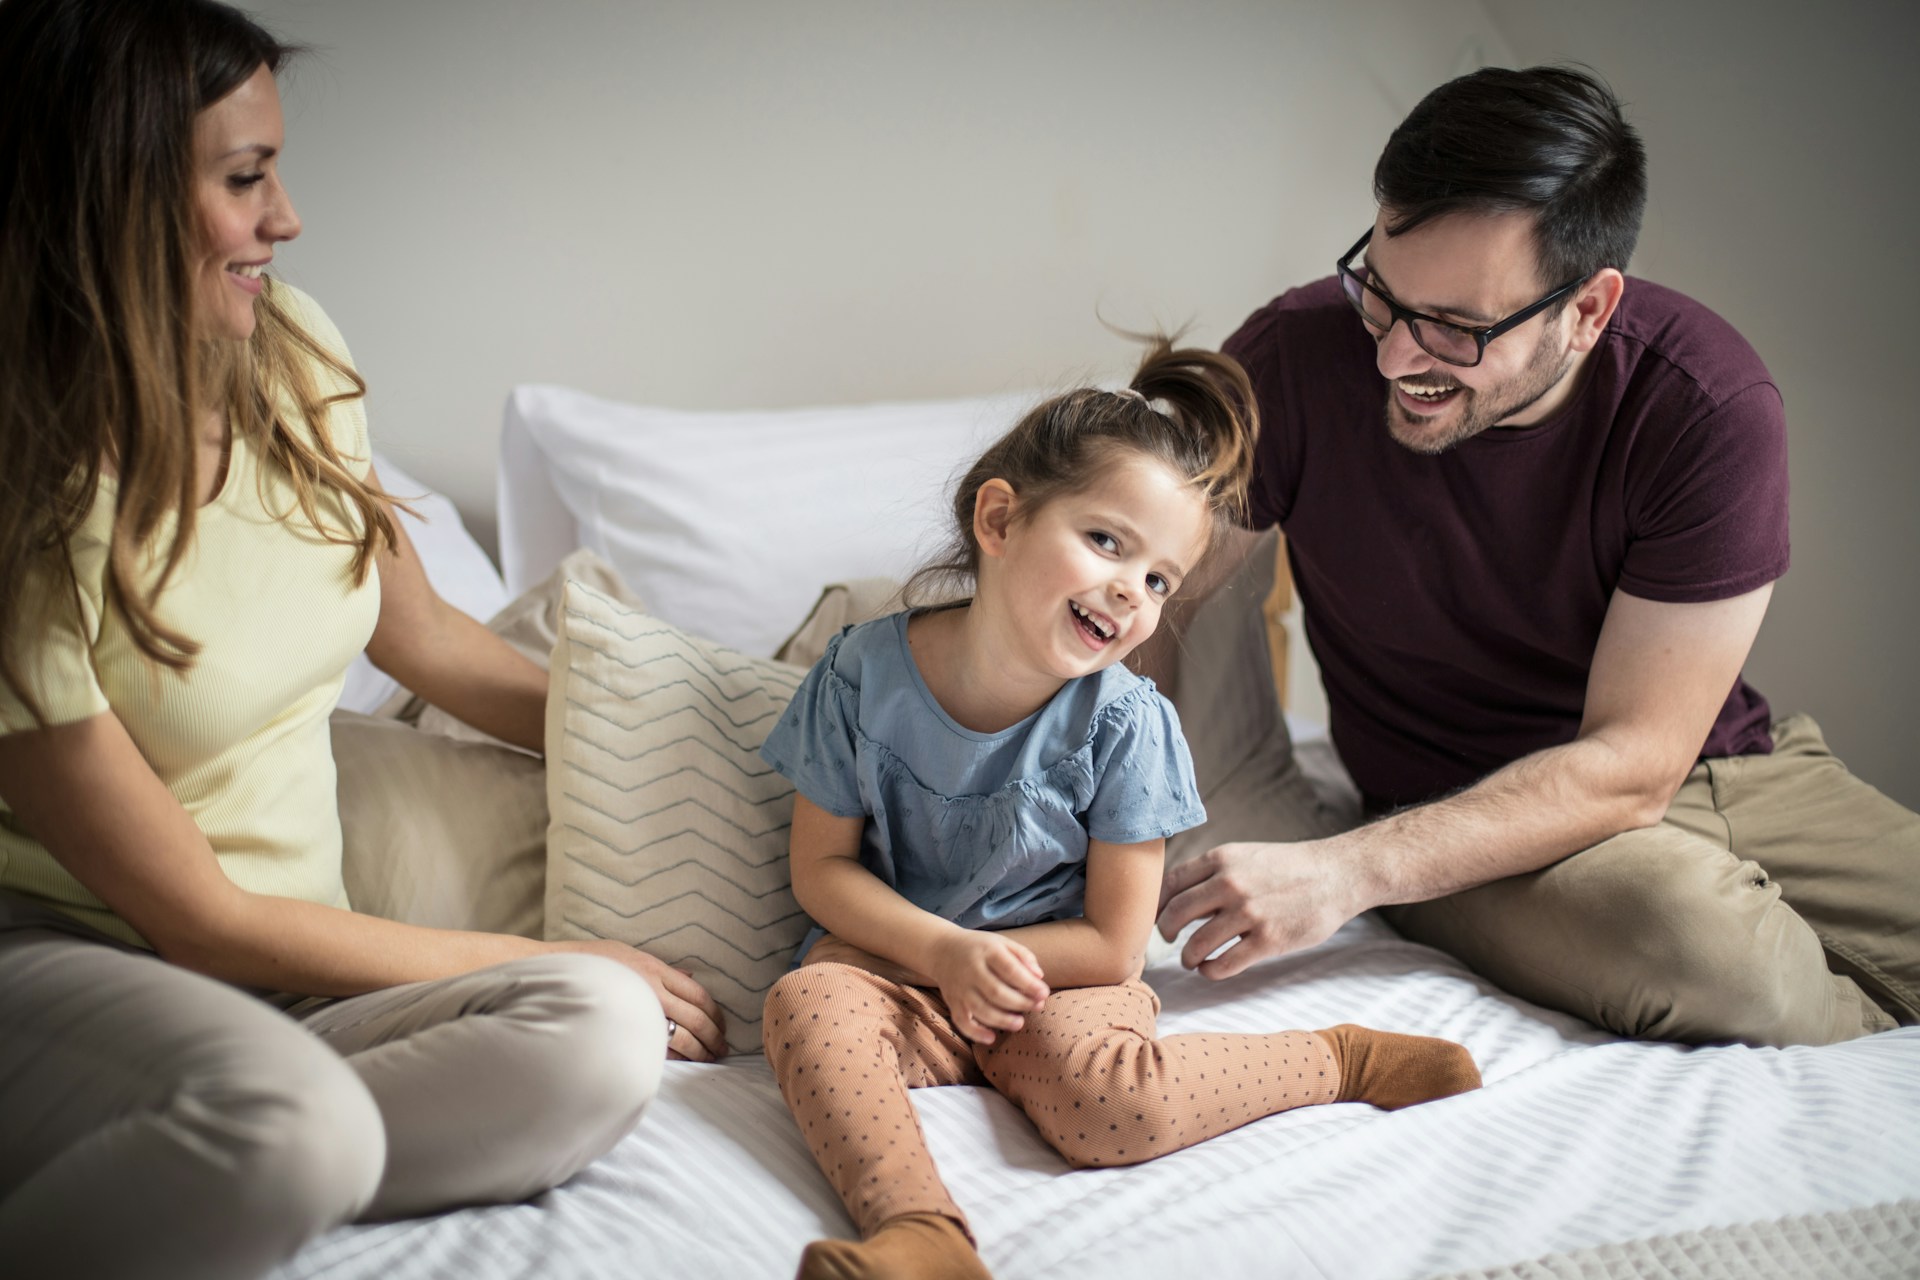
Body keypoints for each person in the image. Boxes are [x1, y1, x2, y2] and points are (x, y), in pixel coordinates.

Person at [0, 2, 725, 1276]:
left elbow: (425, 636)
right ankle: (249, 1148)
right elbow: (197, 917)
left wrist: (700, 747)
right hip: (76, 961)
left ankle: (221, 1159)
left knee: (604, 1026)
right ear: (114, 200)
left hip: (286, 986)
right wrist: (532, 947)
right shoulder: (33, 488)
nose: (285, 218)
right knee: (302, 1125)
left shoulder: (290, 351)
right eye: (245, 178)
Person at [1154, 64, 1919, 1049]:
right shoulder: (1292, 361)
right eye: (1379, 292)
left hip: (1726, 772)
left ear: (1588, 310)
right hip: (1458, 820)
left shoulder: (1706, 406)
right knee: (1718, 956)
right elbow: (1149, 583)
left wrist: (1343, 871)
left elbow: (1636, 764)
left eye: (1456, 328)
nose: (1393, 357)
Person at [758, 339, 1481, 1280]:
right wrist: (941, 957)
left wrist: (988, 967)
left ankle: (1336, 1062)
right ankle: (919, 1234)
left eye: (1159, 580)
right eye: (1107, 542)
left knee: (1114, 1107)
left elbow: (1113, 946)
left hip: (1060, 984)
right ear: (999, 519)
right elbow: (820, 870)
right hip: (902, 965)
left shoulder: (1126, 724)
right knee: (806, 1003)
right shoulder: (861, 675)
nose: (1130, 592)